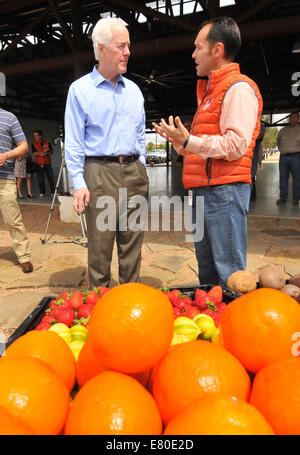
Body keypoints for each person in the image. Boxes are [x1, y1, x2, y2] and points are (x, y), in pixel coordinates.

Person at [153, 16, 263, 286]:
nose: (193, 54)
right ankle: (215, 322)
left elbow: (235, 145)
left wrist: (190, 141)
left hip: (224, 192)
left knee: (230, 272)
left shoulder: (237, 88)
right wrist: (180, 143)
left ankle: (236, 324)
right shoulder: (209, 92)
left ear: (217, 50)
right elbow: (207, 148)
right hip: (203, 191)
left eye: (197, 47)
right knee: (208, 270)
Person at [64, 17, 148, 288]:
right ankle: (99, 305)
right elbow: (74, 141)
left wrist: (142, 164)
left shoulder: (134, 91)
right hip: (99, 173)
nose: (128, 52)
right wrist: (78, 183)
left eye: (129, 45)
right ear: (101, 49)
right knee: (100, 248)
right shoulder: (80, 90)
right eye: (121, 46)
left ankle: (128, 300)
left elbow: (140, 135)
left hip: (135, 171)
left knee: (132, 246)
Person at [0, 107, 33, 273]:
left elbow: (24, 146)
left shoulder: (9, 117)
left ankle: (24, 257)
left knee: (13, 220)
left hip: (4, 179)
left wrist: (6, 156)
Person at [276, 111, 300, 206]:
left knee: (297, 178)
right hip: (283, 157)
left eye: (295, 118)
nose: (293, 119)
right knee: (283, 178)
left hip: (296, 157)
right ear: (289, 119)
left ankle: (296, 198)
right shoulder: (282, 130)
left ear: (298, 119)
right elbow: (278, 141)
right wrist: (282, 149)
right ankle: (283, 197)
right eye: (291, 118)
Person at [32, 130, 55, 197]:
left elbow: (52, 152)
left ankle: (53, 192)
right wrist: (42, 152)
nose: (35, 137)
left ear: (40, 136)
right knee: (40, 179)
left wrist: (46, 153)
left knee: (50, 177)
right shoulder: (33, 143)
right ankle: (42, 192)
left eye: (36, 135)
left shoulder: (47, 143)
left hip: (47, 163)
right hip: (39, 164)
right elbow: (34, 153)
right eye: (34, 136)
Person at [250, 120, 266, 201]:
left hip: (252, 157)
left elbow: (260, 136)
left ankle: (251, 198)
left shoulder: (261, 125)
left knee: (251, 177)